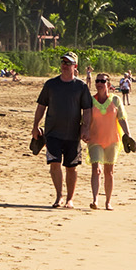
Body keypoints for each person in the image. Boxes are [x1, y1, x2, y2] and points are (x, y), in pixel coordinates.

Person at [32, 52, 90, 208]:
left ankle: (70, 199)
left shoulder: (81, 86)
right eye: (63, 62)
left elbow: (87, 109)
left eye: (68, 63)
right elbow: (41, 106)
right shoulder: (51, 84)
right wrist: (35, 126)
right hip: (52, 133)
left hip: (73, 135)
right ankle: (59, 196)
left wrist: (85, 127)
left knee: (71, 167)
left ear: (75, 66)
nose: (64, 65)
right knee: (54, 163)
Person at [84, 71, 133, 209]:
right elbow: (85, 120)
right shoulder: (90, 100)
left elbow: (122, 118)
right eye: (97, 81)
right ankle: (95, 200)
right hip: (95, 140)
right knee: (96, 169)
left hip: (112, 140)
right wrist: (84, 131)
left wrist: (128, 135)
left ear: (108, 84)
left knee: (109, 171)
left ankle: (108, 201)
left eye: (102, 81)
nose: (99, 84)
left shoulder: (115, 100)